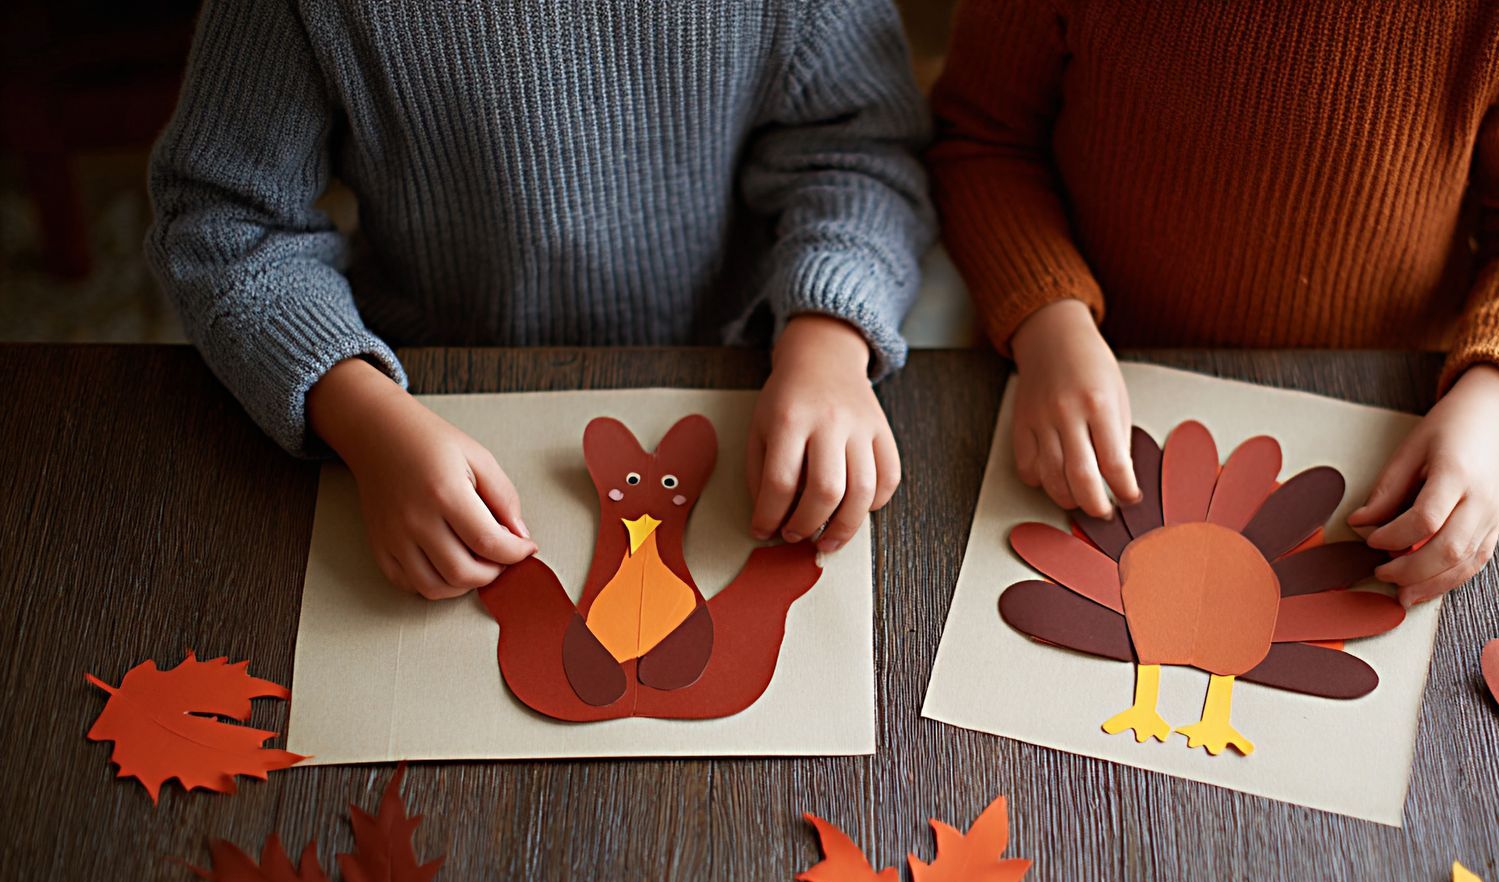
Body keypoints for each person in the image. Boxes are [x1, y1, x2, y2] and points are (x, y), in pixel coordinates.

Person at [149, 0, 932, 598]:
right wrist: (356, 411)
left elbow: (857, 152)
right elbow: (224, 219)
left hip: (738, 358)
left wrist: (828, 341)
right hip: (423, 384)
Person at [929, 0, 1499, 605]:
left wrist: (1495, 395)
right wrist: (1047, 319)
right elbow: (981, 140)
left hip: (1384, 416)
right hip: (1074, 364)